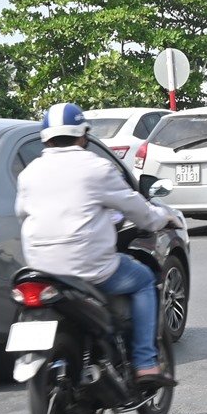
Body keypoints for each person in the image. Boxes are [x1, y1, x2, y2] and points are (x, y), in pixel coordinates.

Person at [16, 102, 175, 386]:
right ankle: (145, 363)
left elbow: (22, 213)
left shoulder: (29, 173)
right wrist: (164, 217)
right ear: (83, 135)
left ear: (45, 137)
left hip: (41, 269)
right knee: (144, 281)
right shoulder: (97, 168)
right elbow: (140, 211)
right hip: (92, 269)